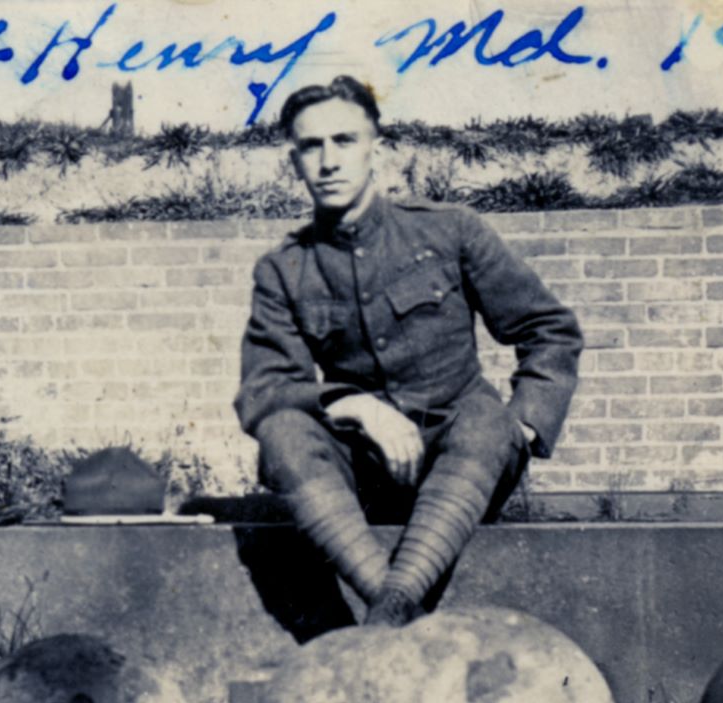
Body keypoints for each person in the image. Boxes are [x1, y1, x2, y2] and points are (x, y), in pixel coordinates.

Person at [234, 76, 583, 627]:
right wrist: (355, 405)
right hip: (366, 473)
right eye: (311, 146)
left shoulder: (450, 232)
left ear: (379, 148)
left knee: (488, 419)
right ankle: (393, 606)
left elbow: (548, 329)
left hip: (465, 459)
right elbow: (262, 390)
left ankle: (387, 610)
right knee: (281, 433)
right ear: (293, 160)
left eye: (344, 141)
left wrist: (528, 425)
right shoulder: (285, 269)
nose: (328, 161)